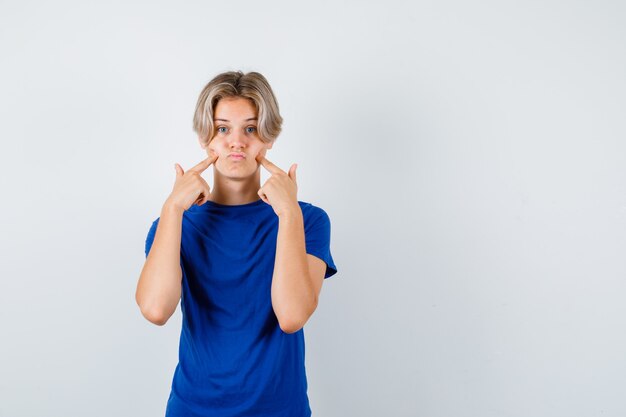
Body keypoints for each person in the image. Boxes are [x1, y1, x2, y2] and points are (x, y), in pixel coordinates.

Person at [135, 70, 338, 417]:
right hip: (193, 408)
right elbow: (156, 309)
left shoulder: (308, 220)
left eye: (251, 128)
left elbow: (291, 316)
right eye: (223, 128)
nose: (237, 142)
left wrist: (287, 213)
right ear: (206, 138)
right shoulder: (174, 223)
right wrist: (172, 209)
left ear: (268, 137)